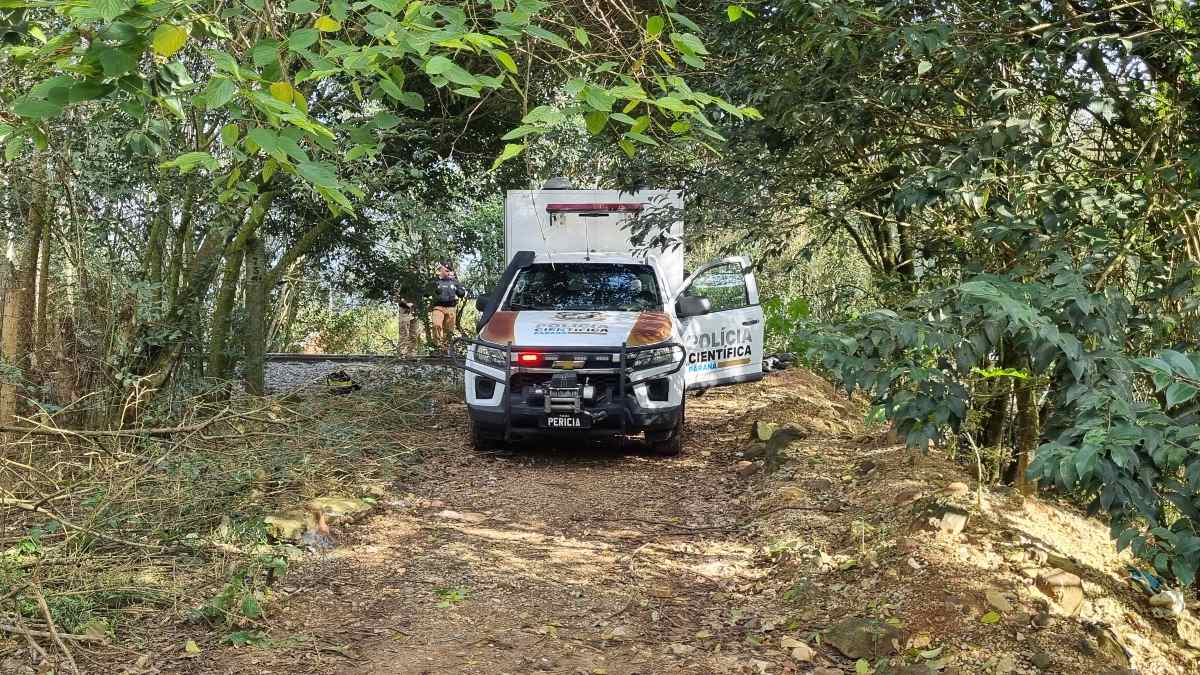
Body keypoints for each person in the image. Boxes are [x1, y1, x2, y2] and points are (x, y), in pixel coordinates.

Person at [430, 262, 465, 353]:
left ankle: (445, 349)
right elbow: (427, 293)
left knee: (449, 330)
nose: (448, 272)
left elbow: (462, 294)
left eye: (449, 271)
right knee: (436, 324)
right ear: (441, 271)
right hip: (438, 307)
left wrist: (457, 286)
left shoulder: (454, 281)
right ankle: (437, 346)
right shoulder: (435, 281)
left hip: (451, 308)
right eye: (446, 270)